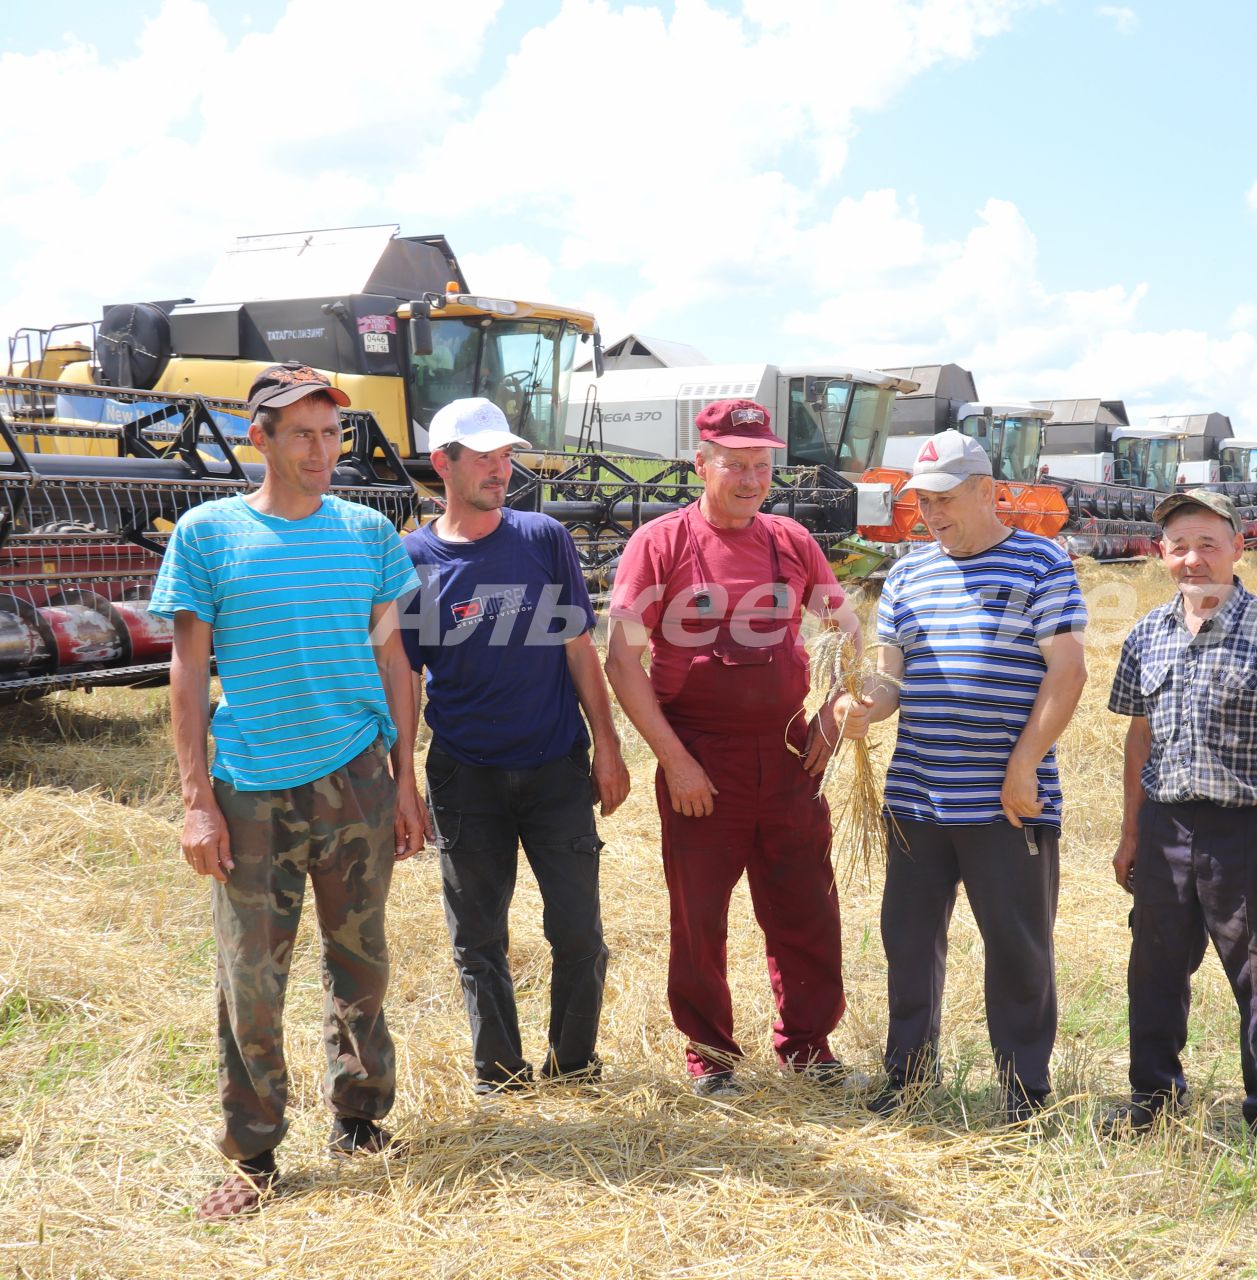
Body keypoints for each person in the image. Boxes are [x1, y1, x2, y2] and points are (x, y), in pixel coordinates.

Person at [150, 362, 426, 1221]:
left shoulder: (369, 535)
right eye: (301, 432)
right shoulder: (207, 533)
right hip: (250, 791)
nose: (321, 449)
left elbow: (394, 661)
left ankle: (361, 1117)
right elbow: (189, 674)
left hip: (357, 781)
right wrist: (196, 800)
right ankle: (255, 1152)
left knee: (363, 963)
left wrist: (407, 780)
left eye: (331, 432)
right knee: (250, 979)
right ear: (257, 437)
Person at [602, 398, 864, 1098]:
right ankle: (711, 1057)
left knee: (805, 905)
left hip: (786, 756)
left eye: (761, 465)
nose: (750, 479)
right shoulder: (660, 543)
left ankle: (808, 1047)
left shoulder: (790, 540)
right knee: (699, 917)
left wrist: (835, 714)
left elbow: (848, 628)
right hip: (701, 760)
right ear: (701, 465)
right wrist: (675, 760)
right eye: (735, 465)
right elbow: (622, 661)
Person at [838, 430, 1088, 1124]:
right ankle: (909, 1076)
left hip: (1007, 801)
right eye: (923, 502)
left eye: (946, 499)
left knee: (1017, 948)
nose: (932, 514)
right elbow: (891, 681)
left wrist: (1022, 767)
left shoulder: (1042, 561)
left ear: (986, 491)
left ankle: (1024, 1094)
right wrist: (864, 706)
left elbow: (1067, 674)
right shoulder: (909, 575)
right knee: (910, 943)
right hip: (918, 795)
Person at [401, 399, 631, 1095]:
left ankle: (573, 1064)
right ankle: (499, 1073)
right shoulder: (412, 557)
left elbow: (578, 649)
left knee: (578, 932)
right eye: (484, 459)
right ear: (443, 464)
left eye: (506, 458)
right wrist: (403, 779)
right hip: (464, 773)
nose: (503, 471)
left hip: (554, 766)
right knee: (478, 937)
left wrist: (608, 745)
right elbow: (405, 675)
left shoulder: (540, 538)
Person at [1107, 490, 1257, 1151]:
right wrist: (1130, 832)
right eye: (1179, 547)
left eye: (1208, 544)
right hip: (1167, 826)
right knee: (1154, 968)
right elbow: (1139, 739)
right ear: (1160, 556)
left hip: (1249, 832)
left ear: (1238, 548)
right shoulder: (1146, 634)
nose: (1193, 559)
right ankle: (1154, 1099)